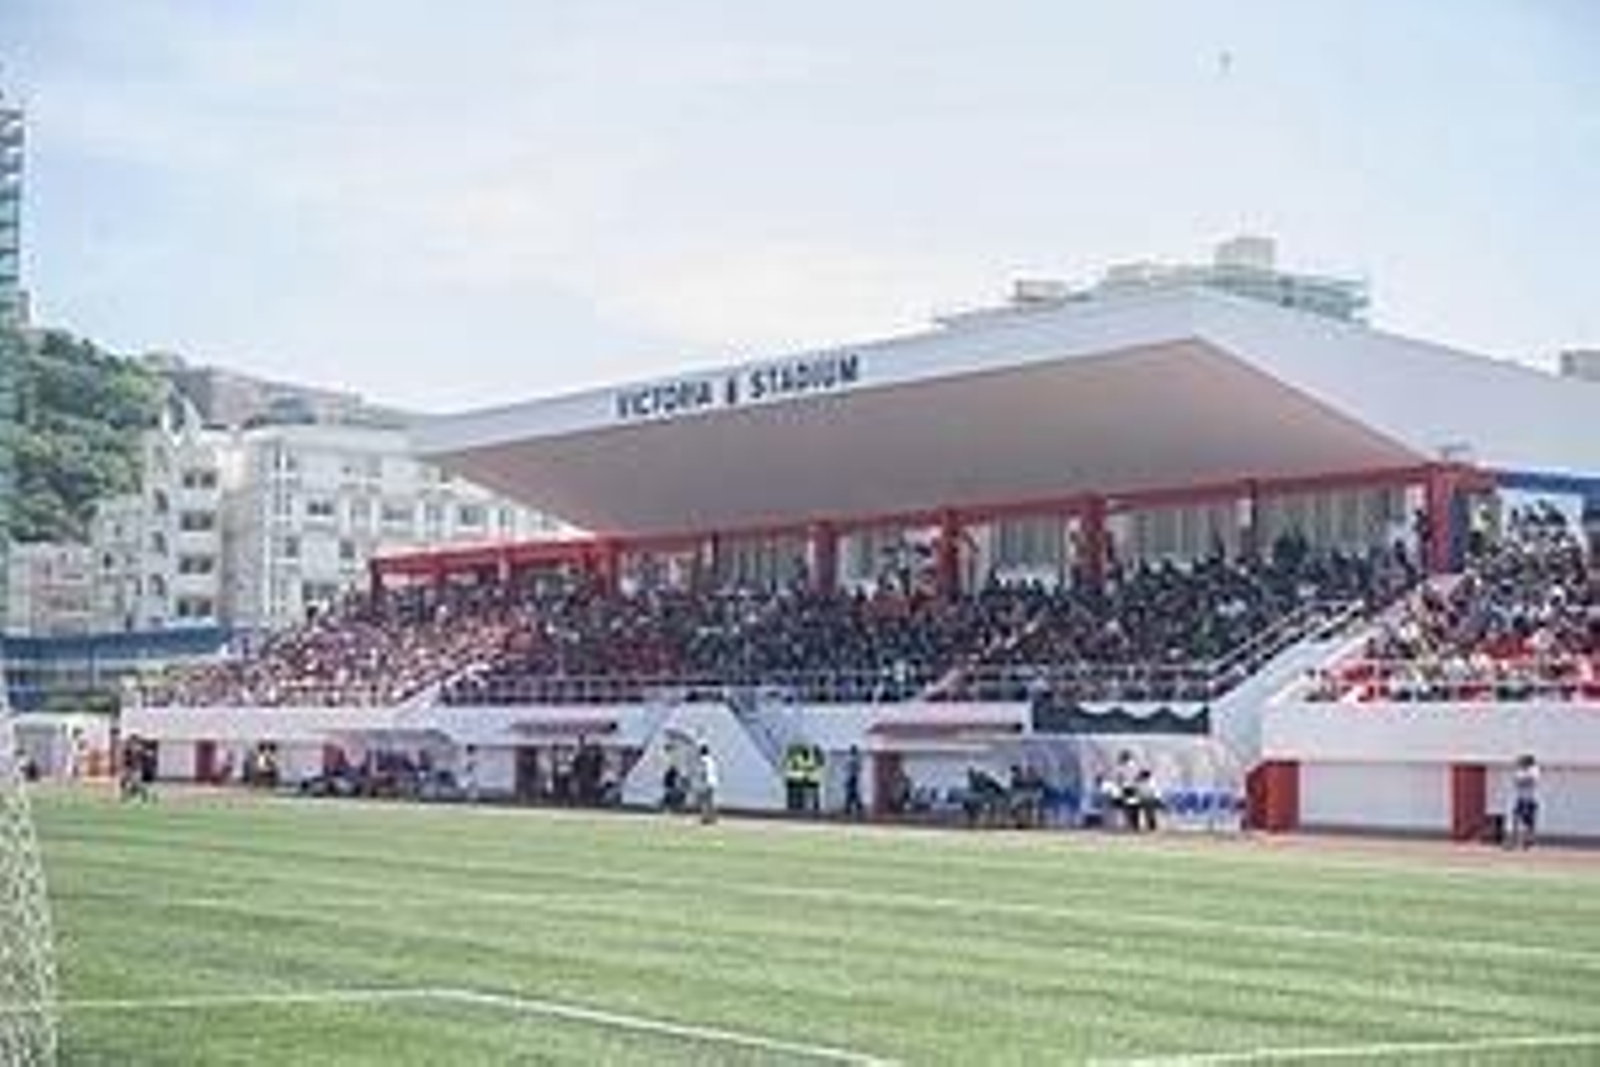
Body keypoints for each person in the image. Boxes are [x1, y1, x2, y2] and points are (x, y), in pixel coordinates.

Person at [1510, 753, 1540, 850]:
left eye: (1523, 762)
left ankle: (1528, 842)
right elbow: (1517, 781)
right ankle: (1514, 840)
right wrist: (1523, 779)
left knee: (1529, 822)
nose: (1521, 764)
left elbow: (1531, 780)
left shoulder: (1534, 770)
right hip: (1521, 799)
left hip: (1530, 799)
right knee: (1516, 818)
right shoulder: (1520, 771)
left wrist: (1523, 779)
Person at [697, 743, 719, 824]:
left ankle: (705, 817)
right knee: (711, 801)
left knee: (704, 801)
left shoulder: (702, 760)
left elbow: (703, 771)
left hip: (707, 782)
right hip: (714, 781)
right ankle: (713, 817)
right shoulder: (711, 760)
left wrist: (701, 780)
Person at [843, 745, 864, 819]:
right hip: (853, 778)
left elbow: (846, 768)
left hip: (850, 778)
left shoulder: (850, 759)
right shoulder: (855, 759)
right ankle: (857, 807)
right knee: (853, 793)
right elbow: (858, 768)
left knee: (851, 793)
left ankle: (849, 808)